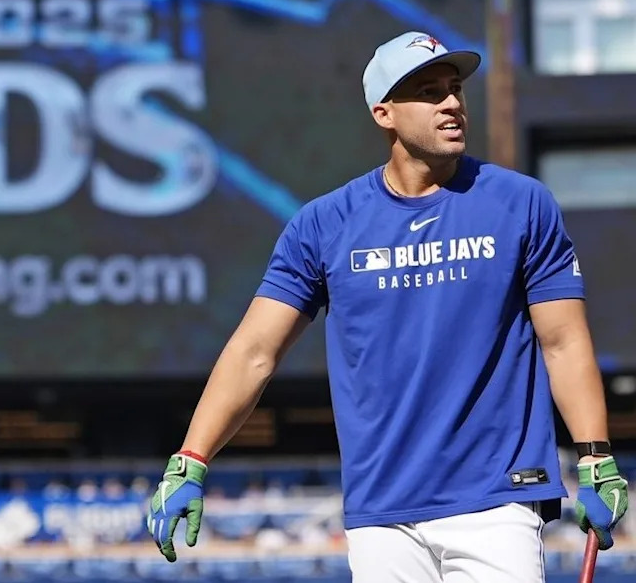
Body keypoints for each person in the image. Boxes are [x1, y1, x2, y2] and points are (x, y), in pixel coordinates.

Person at [145, 31, 629, 582]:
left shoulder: (521, 203)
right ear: (385, 113)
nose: (451, 102)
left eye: (454, 88)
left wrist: (594, 455)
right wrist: (191, 460)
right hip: (381, 513)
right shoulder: (324, 224)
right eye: (428, 91)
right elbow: (255, 350)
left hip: (498, 500)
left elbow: (563, 341)